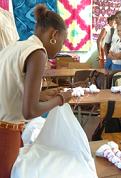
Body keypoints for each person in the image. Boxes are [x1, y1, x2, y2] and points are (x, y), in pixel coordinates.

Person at [0, 4, 72, 178]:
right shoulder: (38, 53)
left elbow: (10, 88)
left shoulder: (15, 47)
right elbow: (30, 111)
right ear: (54, 35)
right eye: (62, 42)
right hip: (5, 134)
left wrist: (42, 95)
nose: (61, 48)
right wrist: (61, 99)